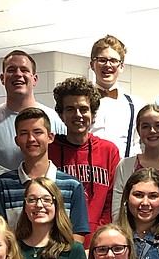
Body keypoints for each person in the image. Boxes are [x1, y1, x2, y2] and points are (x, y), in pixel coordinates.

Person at [0, 106, 90, 240]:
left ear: (50, 137)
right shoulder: (1, 186)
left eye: (37, 132)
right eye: (24, 133)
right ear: (17, 140)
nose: (31, 139)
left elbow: (77, 236)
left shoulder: (72, 186)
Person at [51, 76, 121, 244]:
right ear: (61, 115)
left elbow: (112, 201)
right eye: (70, 109)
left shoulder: (108, 151)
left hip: (100, 244)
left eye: (83, 109)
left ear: (93, 114)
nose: (78, 115)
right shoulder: (49, 151)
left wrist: (101, 239)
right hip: (58, 243)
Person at [0, 50, 66, 170]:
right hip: (3, 188)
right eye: (11, 70)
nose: (18, 74)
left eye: (24, 70)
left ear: (35, 79)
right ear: (2, 78)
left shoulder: (55, 119)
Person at [111, 104, 159, 220]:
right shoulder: (125, 166)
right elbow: (118, 211)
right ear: (138, 131)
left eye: (158, 125)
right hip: (130, 235)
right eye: (145, 126)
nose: (152, 131)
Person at [88, 34, 144, 159]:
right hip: (90, 170)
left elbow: (138, 144)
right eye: (102, 60)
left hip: (124, 171)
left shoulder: (135, 104)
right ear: (92, 65)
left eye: (113, 61)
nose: (108, 65)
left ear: (121, 66)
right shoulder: (82, 103)